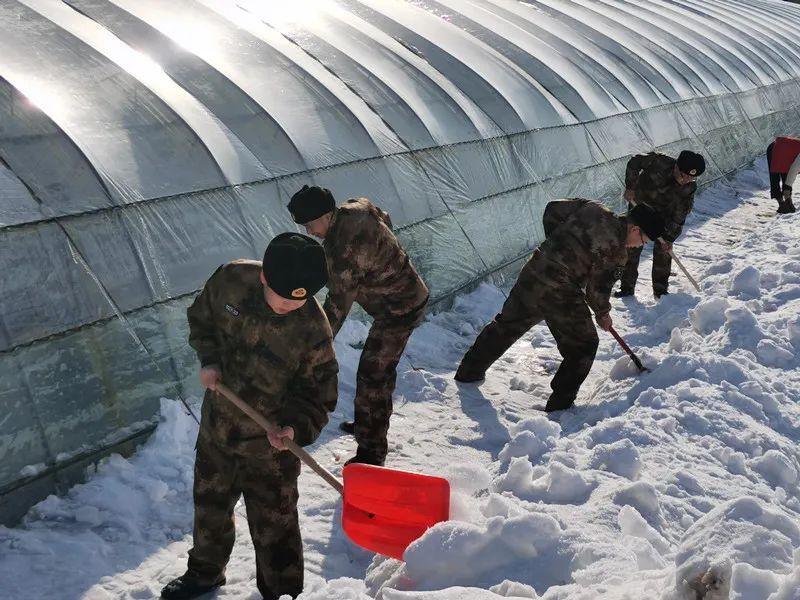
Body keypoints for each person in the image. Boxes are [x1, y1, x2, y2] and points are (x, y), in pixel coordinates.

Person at [160, 233, 338, 600]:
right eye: (284, 299)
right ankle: (205, 574)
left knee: (276, 527)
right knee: (209, 508)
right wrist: (209, 358)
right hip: (219, 428)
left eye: (300, 300)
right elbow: (201, 317)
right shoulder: (231, 280)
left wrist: (295, 426)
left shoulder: (312, 329)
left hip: (270, 447)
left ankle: (282, 593)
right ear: (264, 279)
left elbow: (318, 394)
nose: (292, 306)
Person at [454, 199, 665, 412]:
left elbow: (552, 209)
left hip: (537, 268)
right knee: (583, 345)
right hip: (560, 290)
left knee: (507, 325)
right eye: (643, 240)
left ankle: (467, 373)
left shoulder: (594, 208)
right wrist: (603, 314)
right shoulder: (617, 251)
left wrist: (556, 246)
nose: (640, 245)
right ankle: (560, 407)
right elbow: (597, 291)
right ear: (635, 228)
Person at [287, 185, 428, 466]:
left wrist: (316, 345)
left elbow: (337, 306)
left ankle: (371, 453)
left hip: (400, 308)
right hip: (400, 298)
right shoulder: (355, 206)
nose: (309, 232)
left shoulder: (345, 252)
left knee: (373, 376)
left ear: (327, 215)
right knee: (377, 374)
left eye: (310, 225)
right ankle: (368, 424)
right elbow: (383, 216)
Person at [615, 150, 705, 299]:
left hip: (664, 217)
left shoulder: (689, 188)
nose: (686, 180)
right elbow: (634, 162)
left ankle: (661, 292)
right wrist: (630, 186)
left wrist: (670, 238)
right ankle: (626, 287)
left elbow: (679, 215)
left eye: (692, 178)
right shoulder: (658, 162)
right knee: (631, 248)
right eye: (684, 175)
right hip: (640, 208)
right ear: (676, 167)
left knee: (664, 252)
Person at [766, 136, 799, 214]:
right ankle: (781, 203)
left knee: (786, 175)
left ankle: (787, 202)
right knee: (775, 176)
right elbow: (794, 170)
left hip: (787, 152)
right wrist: (787, 188)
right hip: (775, 148)